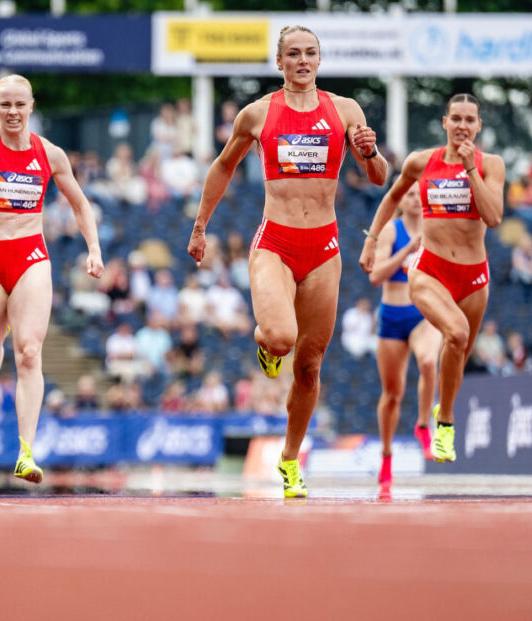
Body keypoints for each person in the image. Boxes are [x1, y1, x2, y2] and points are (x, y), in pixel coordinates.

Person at [188, 25, 387, 498]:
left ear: (320, 60)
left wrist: (370, 151)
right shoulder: (257, 115)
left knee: (310, 366)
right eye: (293, 54)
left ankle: (290, 460)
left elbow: (378, 176)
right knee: (281, 339)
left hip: (324, 249)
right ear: (279, 63)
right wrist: (200, 227)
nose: (302, 60)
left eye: (310, 53)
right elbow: (223, 166)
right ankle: (265, 344)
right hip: (274, 241)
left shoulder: (344, 111)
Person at [0, 74, 104, 483]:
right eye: (5, 105)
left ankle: (26, 452)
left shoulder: (50, 155)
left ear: (32, 107)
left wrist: (94, 249)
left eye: (20, 105)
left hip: (30, 255)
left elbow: (81, 205)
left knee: (29, 352)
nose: (13, 113)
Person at [359, 93, 504, 464]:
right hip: (430, 271)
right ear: (445, 123)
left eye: (469, 120)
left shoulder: (491, 165)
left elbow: (494, 217)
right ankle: (446, 424)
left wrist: (471, 170)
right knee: (455, 333)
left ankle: (444, 411)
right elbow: (391, 197)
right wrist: (372, 241)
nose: (462, 126)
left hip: (474, 277)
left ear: (478, 126)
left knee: (458, 353)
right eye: (455, 118)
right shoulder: (421, 162)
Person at [366, 184, 441, 486]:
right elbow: (375, 276)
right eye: (407, 194)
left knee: (427, 362)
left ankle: (424, 424)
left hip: (422, 312)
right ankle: (386, 456)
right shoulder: (390, 230)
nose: (414, 198)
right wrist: (408, 249)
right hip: (392, 315)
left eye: (418, 193)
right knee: (392, 396)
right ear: (400, 201)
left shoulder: (434, 229)